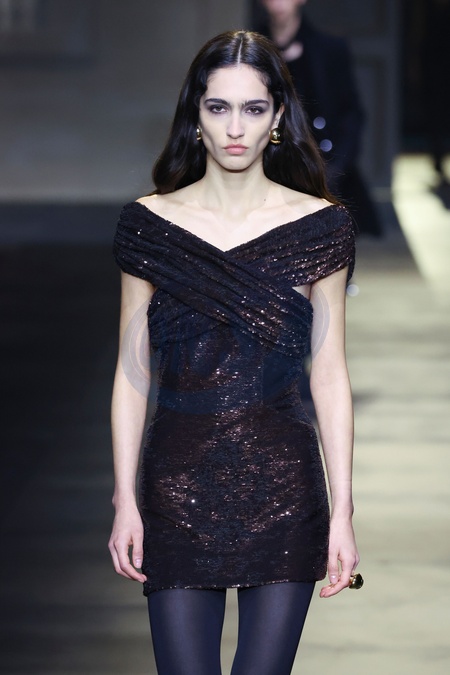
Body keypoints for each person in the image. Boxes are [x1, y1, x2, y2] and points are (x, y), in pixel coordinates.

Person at [109, 30, 361, 675]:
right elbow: (131, 374)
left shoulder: (322, 226)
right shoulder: (149, 226)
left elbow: (330, 374)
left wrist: (343, 510)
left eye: (253, 108)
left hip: (285, 489)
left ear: (278, 118)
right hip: (175, 489)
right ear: (195, 115)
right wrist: (124, 499)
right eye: (218, 107)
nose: (235, 128)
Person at [257, 0, 382, 235]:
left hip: (326, 170)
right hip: (269, 170)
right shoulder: (251, 51)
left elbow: (351, 112)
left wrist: (337, 166)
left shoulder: (329, 48)